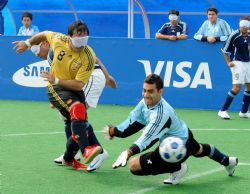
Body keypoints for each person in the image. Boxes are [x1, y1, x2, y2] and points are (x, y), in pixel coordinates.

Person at [103, 73, 238, 185]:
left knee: (133, 166)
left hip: (175, 147)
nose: (145, 95)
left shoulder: (161, 114)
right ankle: (228, 161)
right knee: (199, 150)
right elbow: (132, 122)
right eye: (144, 90)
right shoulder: (144, 103)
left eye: (150, 91)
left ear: (160, 91)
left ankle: (177, 168)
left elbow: (148, 138)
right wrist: (114, 131)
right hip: (184, 133)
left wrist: (128, 152)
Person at [13, 20, 103, 171]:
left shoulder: (88, 56)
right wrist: (27, 43)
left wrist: (56, 78)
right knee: (78, 109)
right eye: (78, 34)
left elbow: (79, 85)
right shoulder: (58, 39)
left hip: (73, 88)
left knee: (77, 127)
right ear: (69, 36)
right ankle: (86, 150)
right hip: (56, 87)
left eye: (85, 34)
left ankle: (69, 159)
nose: (82, 38)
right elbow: (43, 34)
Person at [30, 39, 117, 171]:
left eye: (37, 51)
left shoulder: (57, 49)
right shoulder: (52, 56)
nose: (38, 55)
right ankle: (74, 153)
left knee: (78, 115)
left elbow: (95, 58)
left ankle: (99, 153)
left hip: (92, 76)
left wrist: (107, 76)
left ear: (45, 43)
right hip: (81, 80)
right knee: (67, 117)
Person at [218, 16, 250, 119]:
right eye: (242, 25)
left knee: (249, 87)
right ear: (239, 25)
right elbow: (224, 50)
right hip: (237, 63)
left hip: (248, 63)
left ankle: (244, 112)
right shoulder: (234, 35)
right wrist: (228, 62)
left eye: (246, 25)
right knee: (237, 88)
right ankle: (222, 110)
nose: (244, 27)